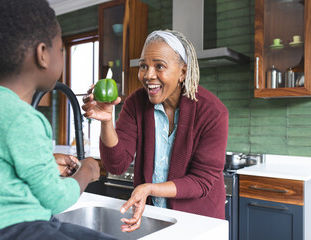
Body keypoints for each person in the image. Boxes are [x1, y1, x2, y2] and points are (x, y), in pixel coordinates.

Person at [0, 0, 116, 239]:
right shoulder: (25, 119)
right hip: (11, 229)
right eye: (60, 50)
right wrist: (87, 170)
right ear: (43, 55)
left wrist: (46, 162)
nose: (61, 55)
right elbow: (56, 198)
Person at [82, 29, 228, 232]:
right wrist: (107, 121)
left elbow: (201, 182)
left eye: (159, 66)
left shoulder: (212, 111)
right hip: (152, 216)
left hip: (198, 221)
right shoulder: (136, 103)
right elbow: (116, 165)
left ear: (183, 72)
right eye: (144, 66)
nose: (148, 75)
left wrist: (150, 188)